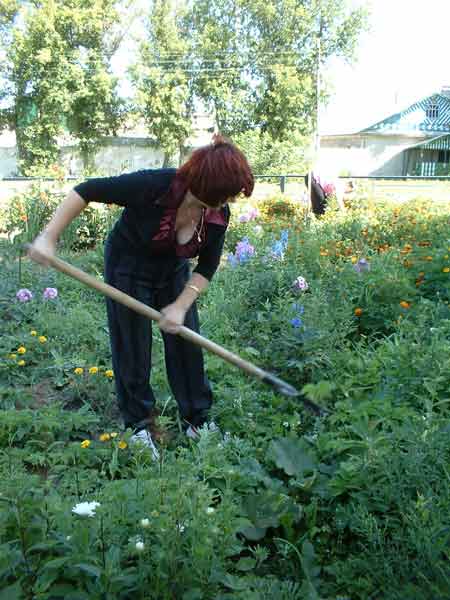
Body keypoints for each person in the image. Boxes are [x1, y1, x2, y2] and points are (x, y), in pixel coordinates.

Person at [28, 135, 254, 459]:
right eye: (226, 193)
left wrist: (179, 305)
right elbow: (87, 190)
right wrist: (48, 237)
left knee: (187, 339)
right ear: (206, 184)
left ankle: (196, 420)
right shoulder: (154, 186)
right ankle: (139, 427)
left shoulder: (217, 215)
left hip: (172, 270)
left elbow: (207, 266)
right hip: (128, 266)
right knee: (132, 346)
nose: (228, 200)